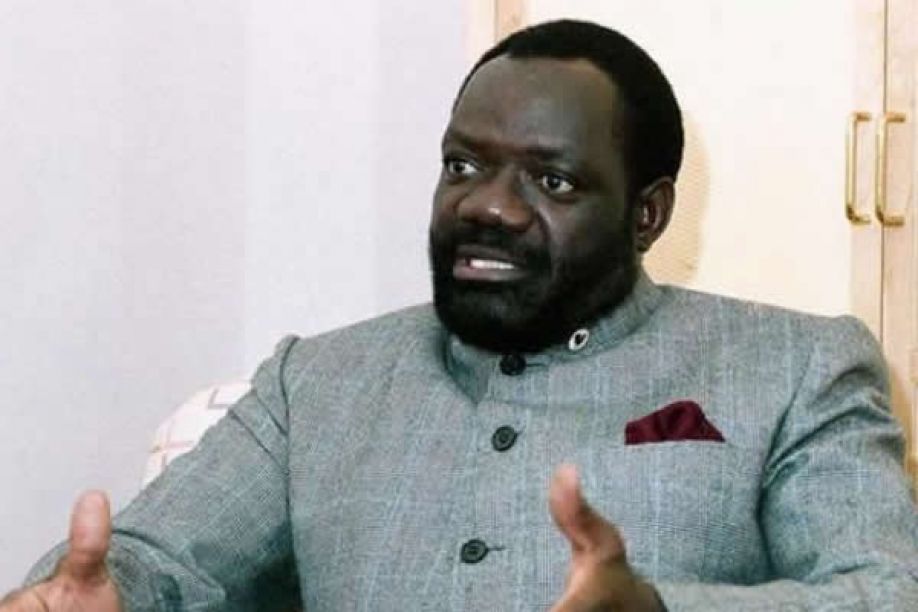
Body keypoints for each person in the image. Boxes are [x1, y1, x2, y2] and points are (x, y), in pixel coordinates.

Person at [3, 19, 917, 611]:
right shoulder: (315, 384)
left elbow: (882, 591)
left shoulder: (792, 367)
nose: (488, 206)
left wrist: (657, 609)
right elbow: (158, 560)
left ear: (647, 215)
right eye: (464, 166)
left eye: (551, 181)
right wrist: (100, 592)